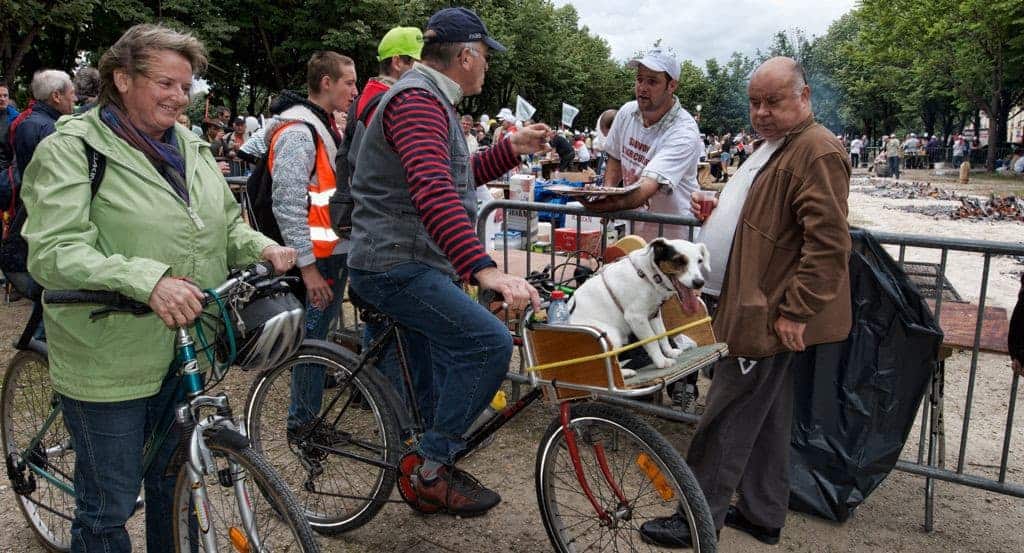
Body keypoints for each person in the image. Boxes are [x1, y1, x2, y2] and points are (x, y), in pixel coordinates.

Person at [19, 23, 296, 551]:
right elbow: (54, 251)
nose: (179, 96)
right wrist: (148, 281)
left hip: (188, 346)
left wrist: (258, 246)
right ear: (122, 79)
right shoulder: (72, 149)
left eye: (184, 85)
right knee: (108, 507)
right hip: (108, 355)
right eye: (165, 83)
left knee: (177, 486)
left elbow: (220, 223)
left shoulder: (190, 145)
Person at [641, 57, 852, 548]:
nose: (760, 111)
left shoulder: (816, 150)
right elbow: (772, 214)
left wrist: (798, 310)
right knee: (769, 413)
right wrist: (721, 207)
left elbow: (828, 244)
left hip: (767, 310)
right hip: (755, 303)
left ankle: (696, 517)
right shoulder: (782, 144)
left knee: (727, 413)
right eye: (755, 102)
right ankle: (762, 511)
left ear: (803, 97)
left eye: (772, 101)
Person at [348, 6, 548, 516]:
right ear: (464, 56)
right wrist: (486, 270)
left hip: (409, 259)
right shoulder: (417, 100)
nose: (487, 67)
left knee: (429, 388)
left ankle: (423, 462)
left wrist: (510, 149)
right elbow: (433, 193)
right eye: (484, 57)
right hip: (395, 263)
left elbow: (456, 176)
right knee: (486, 343)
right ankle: (432, 467)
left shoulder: (431, 99)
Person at [260, 51, 358, 440]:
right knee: (313, 340)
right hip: (317, 259)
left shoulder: (323, 126)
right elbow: (286, 203)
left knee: (317, 337)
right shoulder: (301, 132)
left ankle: (306, 413)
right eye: (349, 82)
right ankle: (303, 423)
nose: (355, 89)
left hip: (328, 253)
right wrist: (309, 267)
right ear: (325, 82)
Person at [583, 48, 701, 242]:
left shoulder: (683, 131)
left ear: (671, 86)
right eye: (639, 79)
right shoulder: (627, 112)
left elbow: (647, 187)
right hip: (637, 231)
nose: (642, 87)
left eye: (652, 81)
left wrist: (607, 205)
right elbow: (615, 155)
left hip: (674, 238)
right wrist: (607, 190)